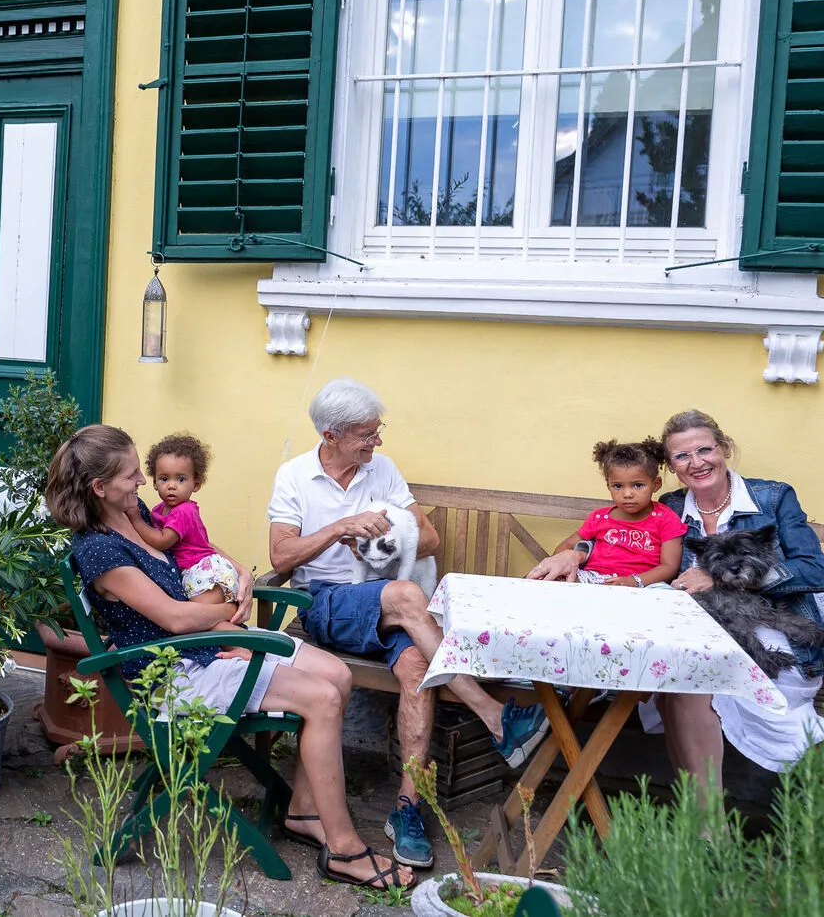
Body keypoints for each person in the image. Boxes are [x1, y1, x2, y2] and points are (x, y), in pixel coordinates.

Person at [49, 425, 414, 889]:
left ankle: (303, 813)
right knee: (320, 697)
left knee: (337, 674)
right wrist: (228, 616)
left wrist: (240, 572)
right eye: (130, 474)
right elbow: (176, 620)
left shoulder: (132, 511)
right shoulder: (101, 550)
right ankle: (344, 850)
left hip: (205, 642)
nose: (142, 479)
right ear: (99, 487)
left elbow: (193, 546)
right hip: (173, 671)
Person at [268, 378, 549, 869]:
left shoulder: (383, 470)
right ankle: (491, 713)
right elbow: (281, 555)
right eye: (366, 435)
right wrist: (341, 528)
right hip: (327, 602)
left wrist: (391, 536)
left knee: (418, 662)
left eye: (378, 432)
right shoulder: (293, 477)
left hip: (393, 606)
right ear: (331, 435)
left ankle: (408, 807)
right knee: (404, 594)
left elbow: (431, 538)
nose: (377, 443)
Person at [527, 410, 824, 781]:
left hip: (776, 639)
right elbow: (604, 533)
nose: (696, 463)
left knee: (686, 682)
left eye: (704, 449)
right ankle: (703, 822)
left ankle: (705, 823)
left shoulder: (772, 497)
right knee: (681, 680)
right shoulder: (668, 508)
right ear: (670, 469)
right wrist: (574, 552)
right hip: (695, 636)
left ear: (724, 449)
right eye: (682, 456)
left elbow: (816, 572)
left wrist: (724, 579)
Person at [534, 438, 685, 589]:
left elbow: (669, 567)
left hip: (644, 584)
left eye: (638, 485)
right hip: (594, 578)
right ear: (609, 486)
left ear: (656, 484)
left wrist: (634, 581)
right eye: (618, 486)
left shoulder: (666, 519)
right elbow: (567, 544)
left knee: (664, 596)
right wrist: (564, 560)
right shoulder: (599, 518)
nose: (627, 494)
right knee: (547, 581)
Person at [129, 433, 244, 605]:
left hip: (203, 573)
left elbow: (162, 541)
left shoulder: (183, 512)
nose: (172, 485)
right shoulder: (160, 509)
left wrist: (136, 521)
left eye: (181, 479)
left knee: (204, 620)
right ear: (154, 483)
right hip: (194, 571)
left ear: (196, 484)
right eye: (164, 478)